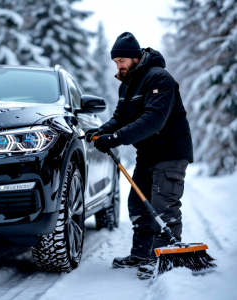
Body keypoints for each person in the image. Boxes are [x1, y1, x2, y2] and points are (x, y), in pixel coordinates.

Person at [85, 32, 193, 279]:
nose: (118, 65)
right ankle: (142, 255)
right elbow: (121, 117)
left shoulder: (159, 79)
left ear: (135, 58)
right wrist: (102, 131)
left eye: (121, 60)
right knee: (137, 204)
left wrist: (115, 138)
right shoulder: (128, 84)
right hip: (148, 155)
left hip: (170, 152)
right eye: (115, 62)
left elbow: (153, 120)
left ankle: (166, 259)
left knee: (163, 205)